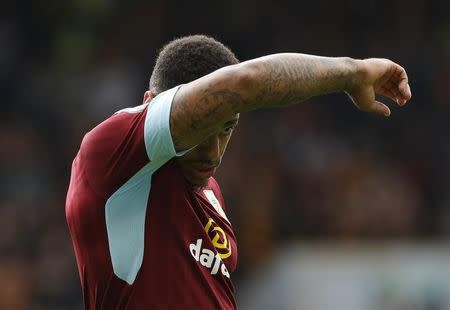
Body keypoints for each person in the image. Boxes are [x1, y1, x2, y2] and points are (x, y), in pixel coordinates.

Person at [65, 34, 411, 309]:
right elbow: (245, 83)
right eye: (200, 130)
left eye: (227, 128)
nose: (213, 150)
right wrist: (352, 72)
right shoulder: (111, 152)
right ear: (150, 104)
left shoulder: (210, 191)